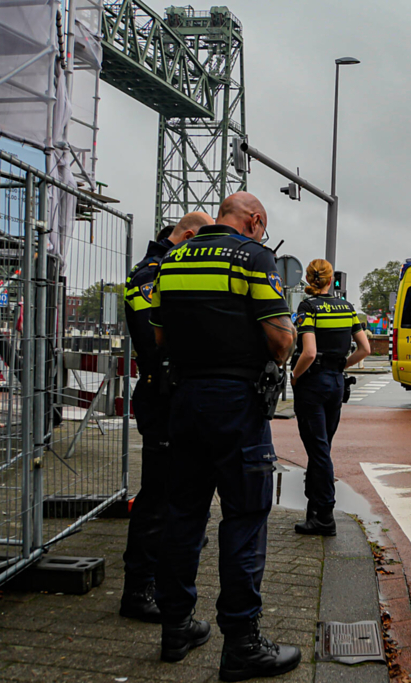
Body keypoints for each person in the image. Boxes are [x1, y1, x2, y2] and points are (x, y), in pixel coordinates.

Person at [150, 192, 301, 680]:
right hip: (236, 402)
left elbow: (158, 337)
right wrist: (279, 350)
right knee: (244, 517)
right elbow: (279, 338)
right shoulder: (255, 257)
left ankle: (175, 627)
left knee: (183, 514)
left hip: (184, 398)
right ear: (255, 221)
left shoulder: (171, 261)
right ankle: (241, 643)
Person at [120, 211, 212, 622]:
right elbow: (153, 339)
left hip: (174, 394)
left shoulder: (165, 269)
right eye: (199, 247)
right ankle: (138, 590)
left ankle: (155, 580)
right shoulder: (149, 275)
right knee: (155, 498)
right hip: (161, 396)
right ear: (187, 237)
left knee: (173, 494)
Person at [292, 259, 370, 537]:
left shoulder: (308, 307)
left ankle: (324, 514)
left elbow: (308, 352)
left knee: (318, 449)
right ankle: (315, 509)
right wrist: (341, 366)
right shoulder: (347, 308)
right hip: (336, 382)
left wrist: (296, 376)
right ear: (329, 279)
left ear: (310, 281)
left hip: (313, 383)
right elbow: (365, 348)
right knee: (323, 446)